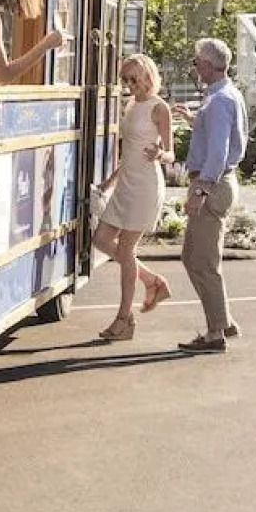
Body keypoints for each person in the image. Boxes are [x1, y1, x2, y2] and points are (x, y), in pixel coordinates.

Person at [171, 37, 248, 353]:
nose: (194, 66)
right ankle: (223, 322)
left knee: (202, 261)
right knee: (195, 258)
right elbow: (223, 139)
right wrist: (195, 120)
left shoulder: (218, 101)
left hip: (211, 184)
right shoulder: (226, 95)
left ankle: (216, 332)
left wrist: (200, 190)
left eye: (196, 62)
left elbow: (218, 152)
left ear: (207, 65)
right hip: (219, 183)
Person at [90, 53, 174, 341]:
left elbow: (172, 153)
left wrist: (160, 154)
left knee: (126, 252)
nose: (128, 85)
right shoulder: (130, 105)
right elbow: (127, 154)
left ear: (147, 77)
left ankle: (124, 320)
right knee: (100, 239)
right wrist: (109, 182)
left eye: (133, 79)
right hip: (125, 184)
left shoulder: (159, 108)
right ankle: (152, 281)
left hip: (146, 187)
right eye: (124, 79)